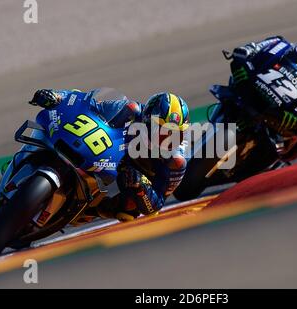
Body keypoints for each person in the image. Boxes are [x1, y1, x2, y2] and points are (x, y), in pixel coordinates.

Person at [29, 89, 190, 221]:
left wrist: (141, 188)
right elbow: (86, 102)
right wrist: (57, 96)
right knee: (51, 126)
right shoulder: (131, 109)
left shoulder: (176, 162)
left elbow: (155, 207)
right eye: (163, 132)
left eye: (176, 134)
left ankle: (87, 212)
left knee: (128, 211)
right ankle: (28, 158)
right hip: (102, 151)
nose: (169, 140)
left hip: (128, 178)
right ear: (148, 120)